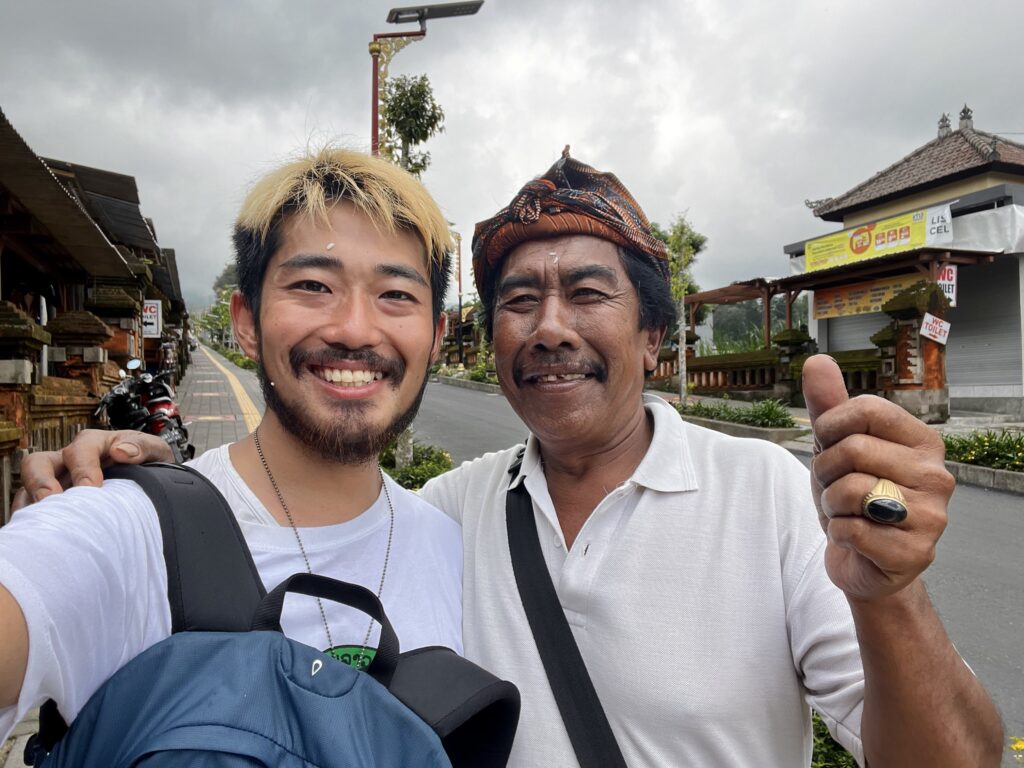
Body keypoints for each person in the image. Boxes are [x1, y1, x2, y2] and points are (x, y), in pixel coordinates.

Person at [16, 151, 1004, 767]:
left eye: (587, 293)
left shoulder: (767, 496)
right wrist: (132, 489)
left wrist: (891, 599)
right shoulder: (448, 515)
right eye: (518, 301)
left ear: (655, 339)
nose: (548, 327)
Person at [0, 148, 464, 742]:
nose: (354, 329)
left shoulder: (453, 544)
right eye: (313, 285)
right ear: (245, 321)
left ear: (434, 335)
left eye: (396, 295)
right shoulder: (130, 528)